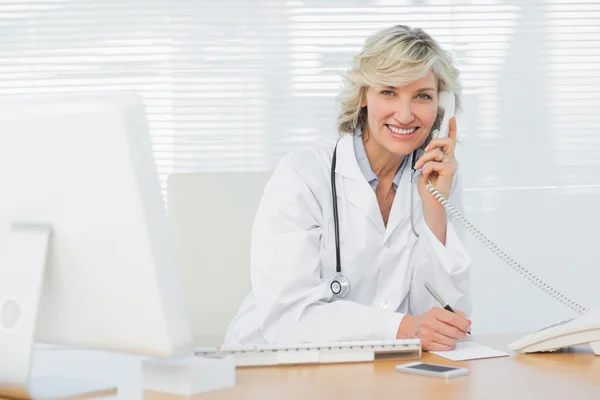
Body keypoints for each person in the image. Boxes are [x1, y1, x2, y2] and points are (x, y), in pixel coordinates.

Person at [224, 25, 472, 351]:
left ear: (442, 106)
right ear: (363, 96)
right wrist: (401, 328)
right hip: (270, 363)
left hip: (378, 367)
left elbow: (441, 319)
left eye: (422, 96)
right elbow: (289, 316)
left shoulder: (436, 180)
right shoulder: (302, 175)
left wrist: (434, 211)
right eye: (388, 92)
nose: (405, 113)